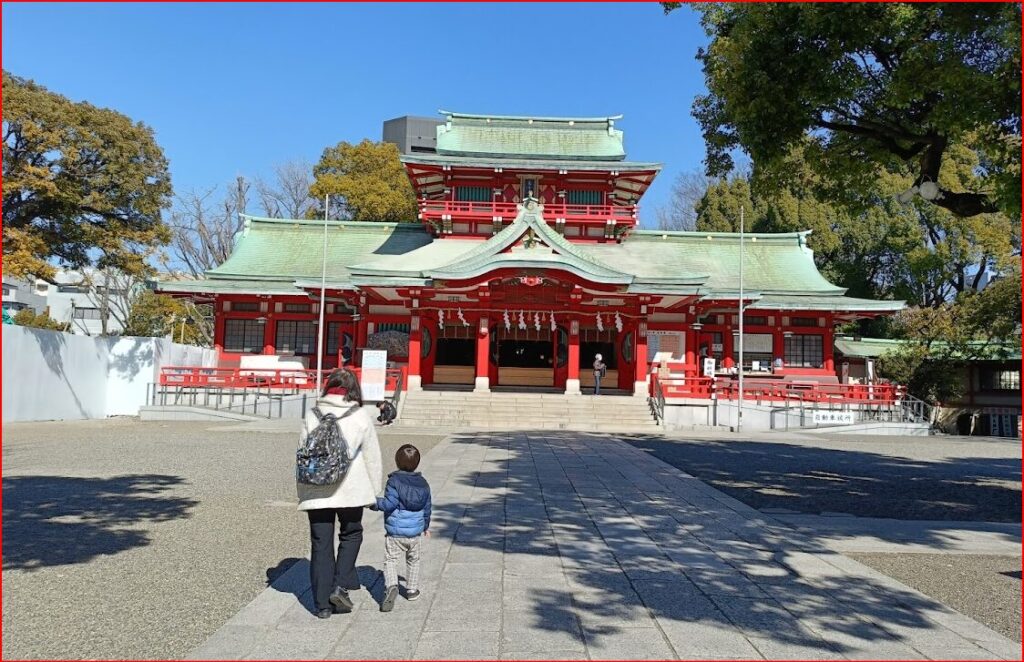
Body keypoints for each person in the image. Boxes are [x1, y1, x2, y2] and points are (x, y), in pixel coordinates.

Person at [297, 369, 383, 619]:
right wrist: (375, 492)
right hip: (351, 487)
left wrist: (303, 490)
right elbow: (372, 456)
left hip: (317, 489)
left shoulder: (312, 414)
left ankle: (322, 605)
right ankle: (339, 584)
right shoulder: (359, 415)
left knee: (320, 543)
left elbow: (303, 452)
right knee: (352, 533)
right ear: (354, 389)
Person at [371, 444, 432, 613]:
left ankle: (391, 585)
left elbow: (389, 504)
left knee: (391, 560)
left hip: (395, 532)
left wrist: (373, 503)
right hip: (415, 532)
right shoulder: (423, 484)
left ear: (397, 462)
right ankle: (411, 590)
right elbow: (427, 507)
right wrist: (426, 526)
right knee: (413, 559)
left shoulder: (394, 481)